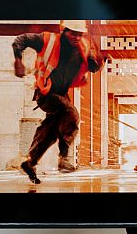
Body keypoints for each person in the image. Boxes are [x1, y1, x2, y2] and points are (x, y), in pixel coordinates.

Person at [11, 20, 103, 184]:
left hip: (61, 94)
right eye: (72, 33)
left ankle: (30, 162)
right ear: (64, 31)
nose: (76, 37)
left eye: (79, 34)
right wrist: (18, 61)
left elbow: (93, 67)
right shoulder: (47, 40)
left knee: (51, 131)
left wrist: (97, 60)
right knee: (72, 113)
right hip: (46, 93)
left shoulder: (83, 47)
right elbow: (21, 40)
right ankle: (64, 158)